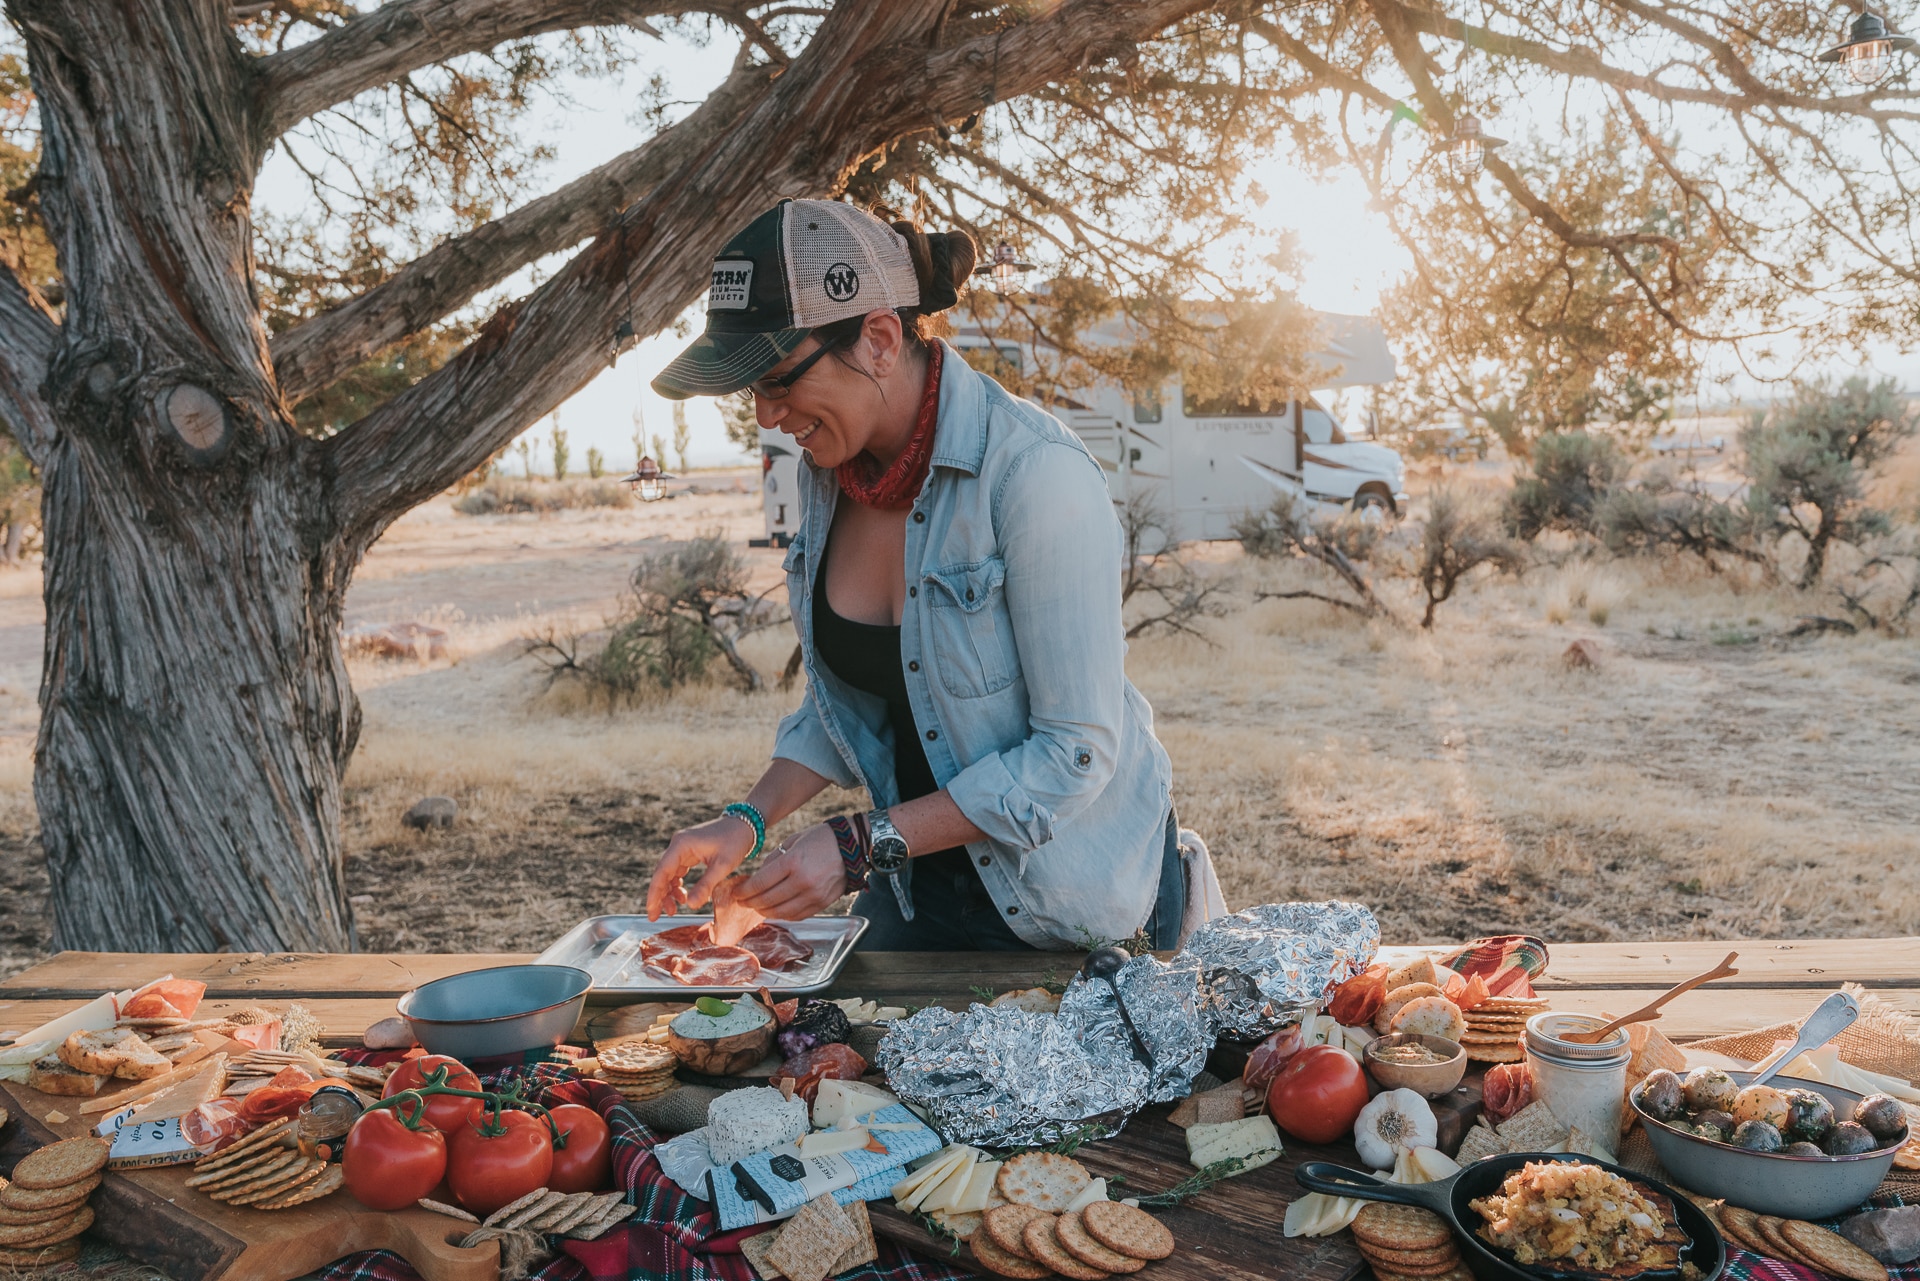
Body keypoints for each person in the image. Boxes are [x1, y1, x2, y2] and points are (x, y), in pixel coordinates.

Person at [642, 198, 1183, 951]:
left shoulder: (1033, 474)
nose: (766, 415)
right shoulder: (828, 474)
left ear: (880, 339)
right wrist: (749, 818)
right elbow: (858, 699)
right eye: (749, 392)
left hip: (1072, 908)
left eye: (777, 379)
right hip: (919, 888)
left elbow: (1074, 754)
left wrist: (858, 843)